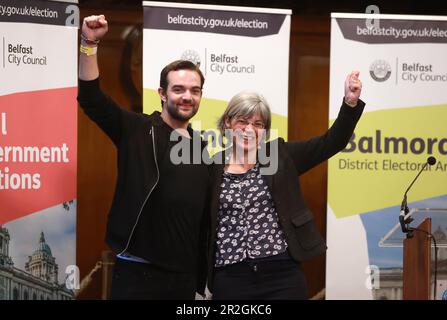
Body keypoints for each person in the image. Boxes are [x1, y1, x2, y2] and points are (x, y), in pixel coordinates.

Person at [77, 15, 210, 299]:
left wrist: (203, 282)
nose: (187, 96)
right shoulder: (136, 130)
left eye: (194, 90)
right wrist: (89, 43)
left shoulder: (202, 148)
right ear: (162, 94)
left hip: (185, 280)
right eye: (178, 89)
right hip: (138, 275)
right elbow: (90, 98)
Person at [208, 71, 364, 299]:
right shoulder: (210, 169)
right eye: (242, 121)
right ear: (228, 123)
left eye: (258, 124)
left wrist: (350, 104)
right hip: (230, 278)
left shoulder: (279, 156)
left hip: (281, 276)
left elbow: (332, 142)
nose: (249, 130)